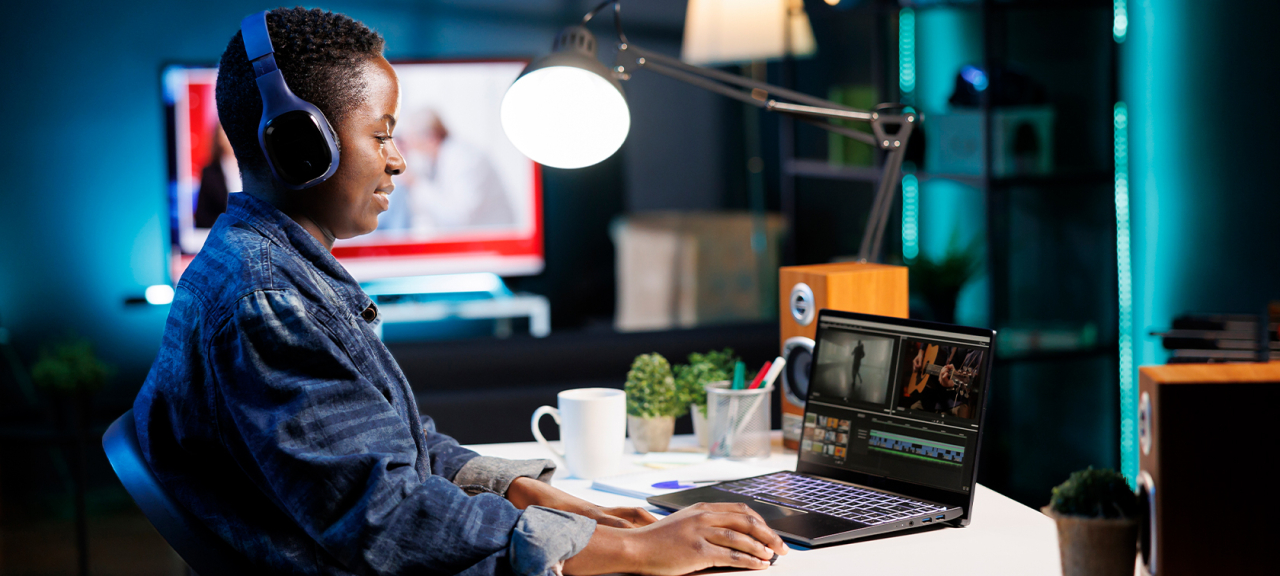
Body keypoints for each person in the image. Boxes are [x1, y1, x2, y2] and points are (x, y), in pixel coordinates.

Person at [133, 8, 786, 576]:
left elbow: (393, 446)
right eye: (382, 133)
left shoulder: (265, 266)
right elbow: (386, 520)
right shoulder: (267, 303)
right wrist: (641, 552)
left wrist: (543, 501)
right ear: (302, 147)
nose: (399, 160)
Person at [379, 109, 515, 233]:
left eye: (412, 142)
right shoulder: (434, 163)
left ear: (430, 138)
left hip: (493, 238)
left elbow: (458, 218)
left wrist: (416, 183)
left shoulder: (465, 160)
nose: (410, 149)